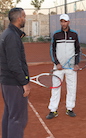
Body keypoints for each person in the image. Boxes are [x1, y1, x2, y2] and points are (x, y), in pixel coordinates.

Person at [0, 8, 31, 138]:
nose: (25, 19)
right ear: (19, 18)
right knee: (18, 119)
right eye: (24, 16)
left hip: (7, 82)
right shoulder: (12, 36)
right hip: (14, 83)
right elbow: (14, 64)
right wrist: (24, 82)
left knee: (10, 114)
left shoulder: (7, 33)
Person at [46, 14, 80, 119]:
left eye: (65, 21)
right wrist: (57, 63)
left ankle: (69, 108)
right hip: (58, 68)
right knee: (55, 88)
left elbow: (78, 50)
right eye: (61, 21)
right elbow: (52, 50)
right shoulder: (56, 35)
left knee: (72, 88)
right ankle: (53, 110)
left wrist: (76, 64)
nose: (63, 23)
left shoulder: (74, 34)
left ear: (68, 22)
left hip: (71, 68)